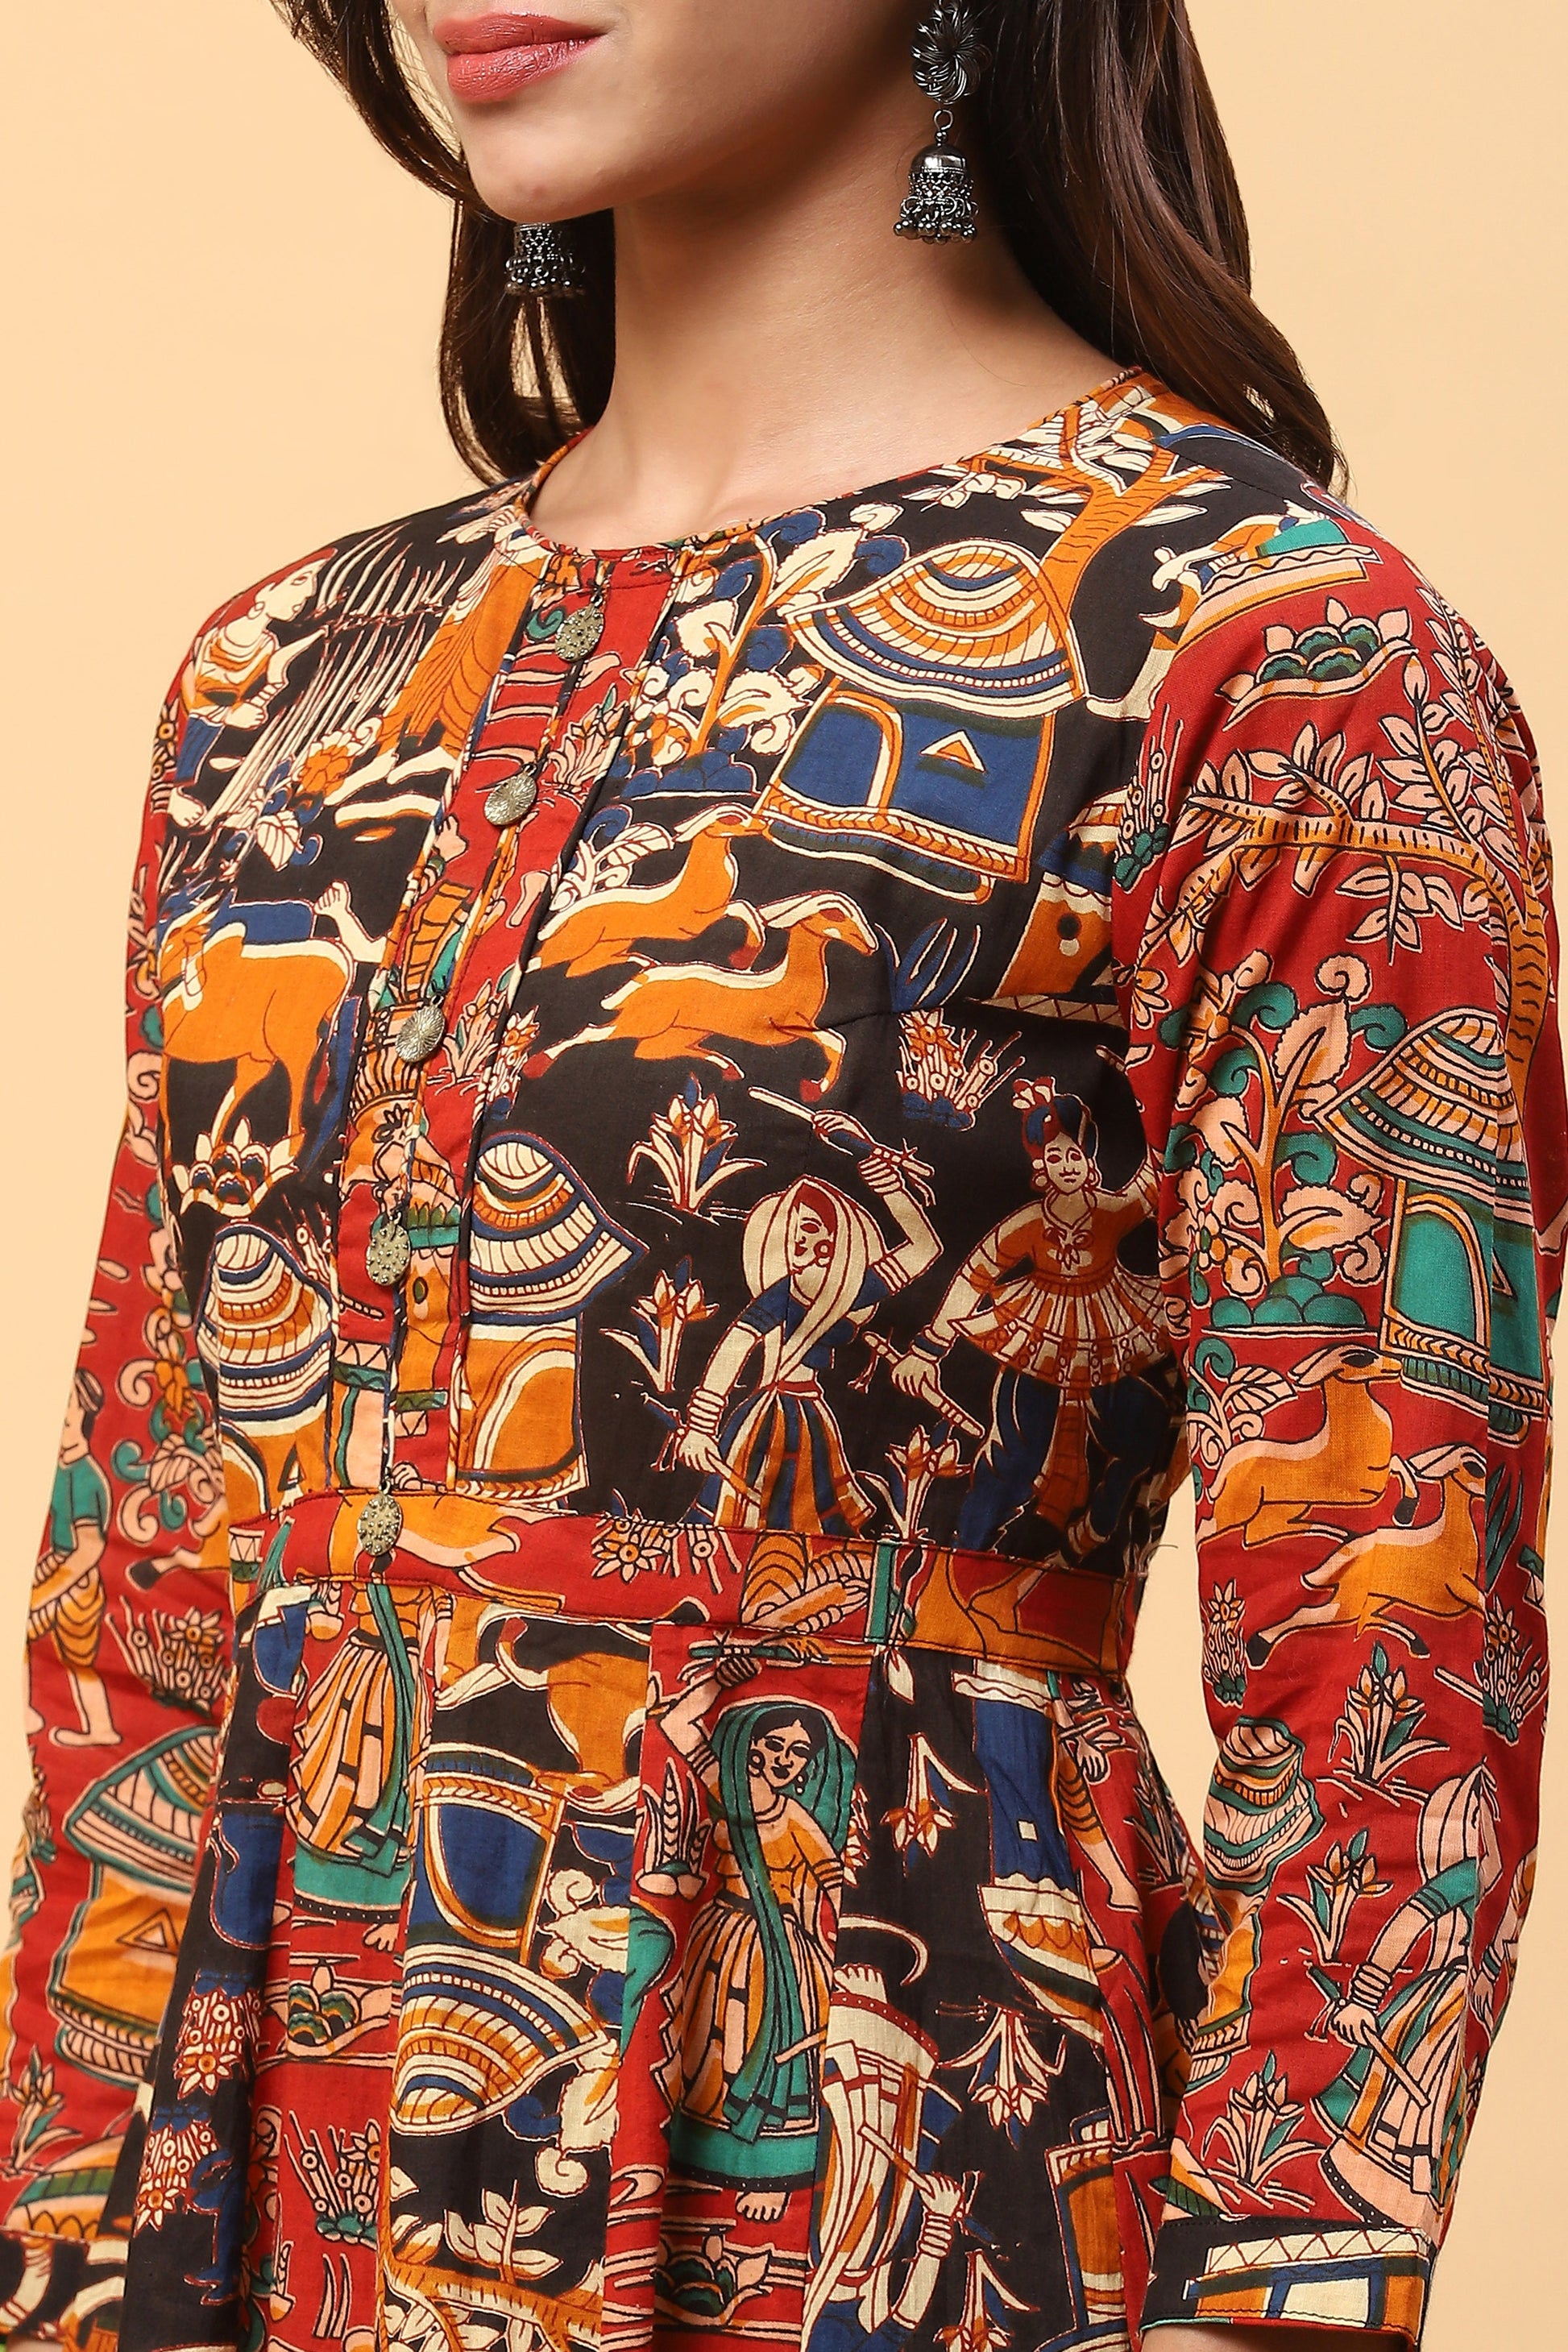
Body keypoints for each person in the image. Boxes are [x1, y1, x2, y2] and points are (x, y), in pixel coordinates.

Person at [1, 6, 1558, 2350]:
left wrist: (1277, 2303)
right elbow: (142, 1574)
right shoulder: (285, 680)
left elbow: (1388, 1646)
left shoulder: (1269, 662)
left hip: (892, 2181)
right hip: (248, 2214)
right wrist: (58, 2232)